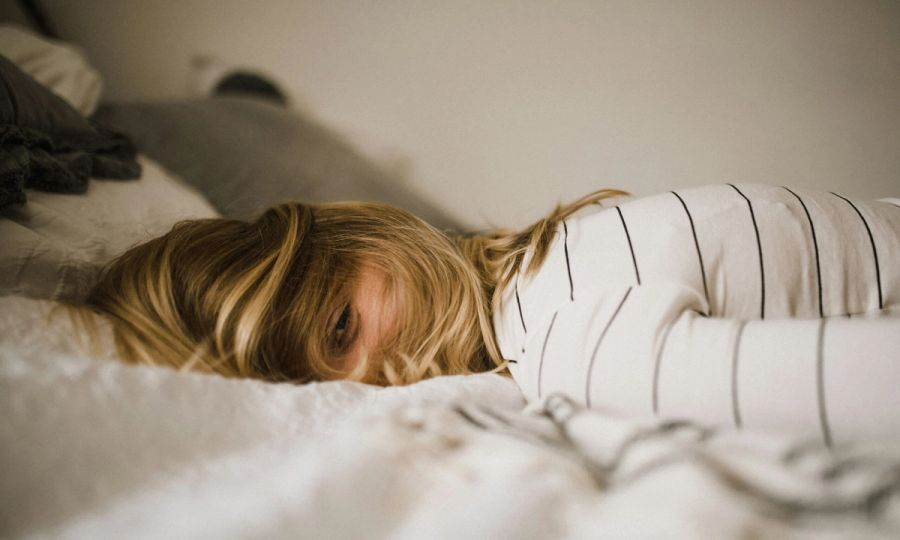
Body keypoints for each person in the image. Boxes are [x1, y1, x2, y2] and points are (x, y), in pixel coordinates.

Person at [85, 184, 900, 441]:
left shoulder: (569, 340)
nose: (371, 381)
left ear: (367, 233)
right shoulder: (553, 260)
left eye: (341, 328)